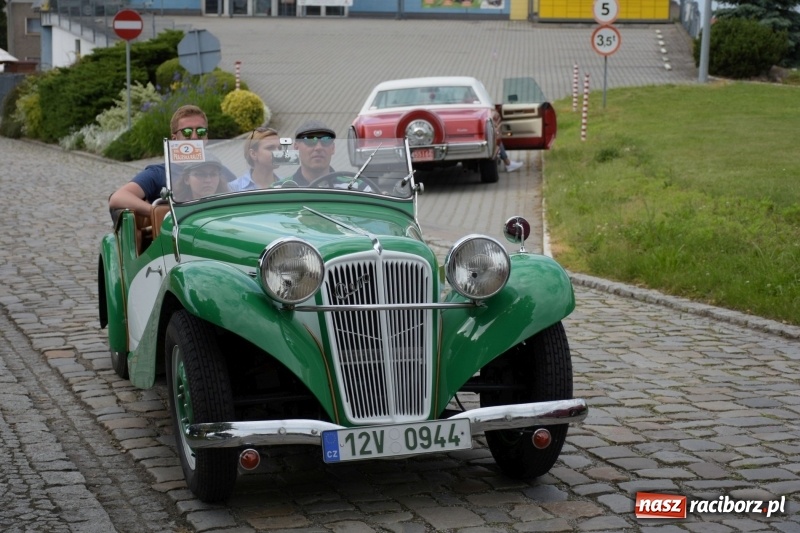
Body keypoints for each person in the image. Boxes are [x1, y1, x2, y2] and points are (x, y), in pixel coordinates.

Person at [108, 104, 209, 223]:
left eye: (201, 131)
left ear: (207, 137)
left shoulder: (218, 171)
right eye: (187, 132)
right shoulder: (159, 173)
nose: (194, 137)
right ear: (175, 139)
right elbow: (118, 197)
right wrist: (159, 213)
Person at [284, 120, 337, 186]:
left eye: (326, 140)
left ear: (333, 148)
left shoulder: (348, 187)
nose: (319, 147)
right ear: (296, 148)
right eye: (310, 140)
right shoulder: (280, 188)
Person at [231, 126, 282, 191]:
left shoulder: (288, 185)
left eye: (279, 148)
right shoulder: (233, 188)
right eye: (270, 148)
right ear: (253, 154)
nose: (278, 152)